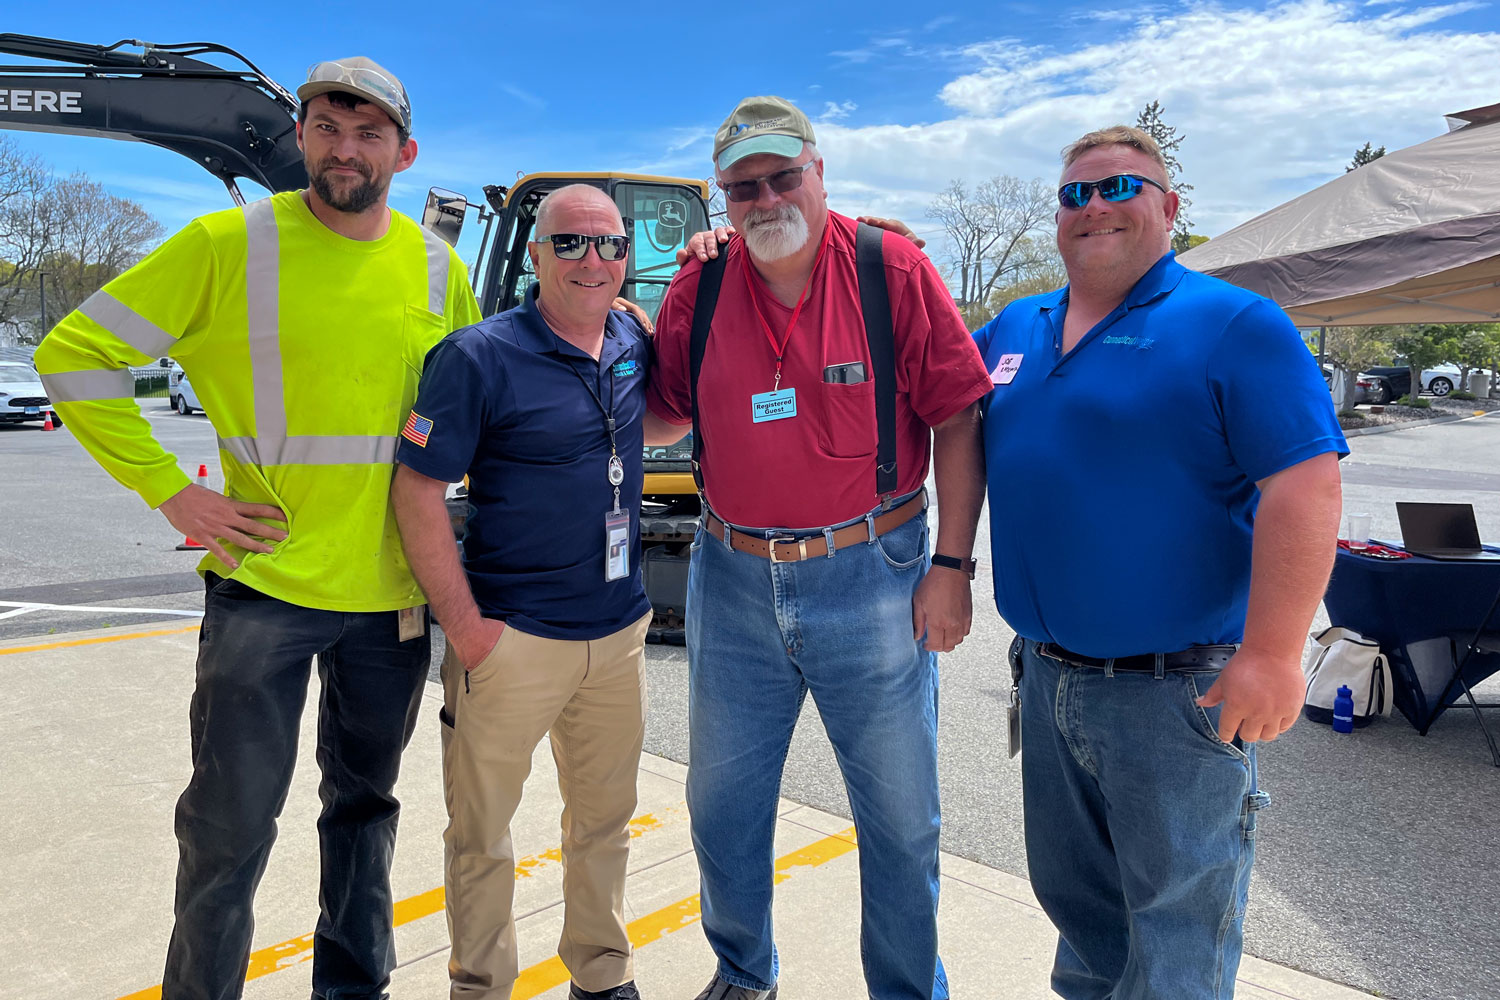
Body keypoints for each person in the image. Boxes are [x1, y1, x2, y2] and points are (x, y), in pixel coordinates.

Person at [35, 58, 481, 1000]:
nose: (344, 148)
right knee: (227, 831)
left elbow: (477, 409)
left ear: (404, 152)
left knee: (364, 817)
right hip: (264, 593)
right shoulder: (227, 243)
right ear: (302, 137)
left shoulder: (440, 269)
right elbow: (72, 355)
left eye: (367, 133)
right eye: (326, 126)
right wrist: (172, 491)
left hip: (389, 600)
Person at [972, 125, 1346, 1000]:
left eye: (1119, 188)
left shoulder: (1233, 324)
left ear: (1169, 207)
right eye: (1075, 195)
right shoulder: (1016, 326)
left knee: (1178, 938)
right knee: (1085, 921)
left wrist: (1274, 655)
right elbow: (918, 378)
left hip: (1177, 694)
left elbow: (1306, 487)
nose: (1094, 207)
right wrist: (864, 251)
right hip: (1050, 680)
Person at [646, 96, 993, 1000]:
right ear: (722, 198)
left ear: (819, 171)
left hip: (871, 575)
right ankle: (742, 973)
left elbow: (959, 418)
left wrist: (951, 568)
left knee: (900, 821)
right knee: (721, 808)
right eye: (742, 187)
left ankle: (907, 989)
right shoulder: (702, 284)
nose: (765, 199)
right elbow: (662, 410)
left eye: (781, 176)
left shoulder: (891, 269)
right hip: (729, 575)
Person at [391, 184, 663, 1000]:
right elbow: (416, 493)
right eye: (571, 244)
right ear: (536, 254)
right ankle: (480, 986)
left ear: (627, 261)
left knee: (605, 824)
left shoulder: (630, 340)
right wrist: (468, 629)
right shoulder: (476, 357)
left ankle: (601, 977)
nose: (592, 261)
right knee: (482, 837)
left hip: (617, 638)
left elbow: (666, 420)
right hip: (512, 644)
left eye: (610, 246)